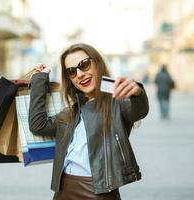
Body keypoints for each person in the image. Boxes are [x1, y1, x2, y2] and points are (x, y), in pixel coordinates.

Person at [28, 43, 149, 200]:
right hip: (62, 191)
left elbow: (138, 110)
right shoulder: (71, 112)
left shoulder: (116, 103)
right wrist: (39, 80)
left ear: (97, 64)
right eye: (71, 71)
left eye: (84, 65)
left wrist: (137, 92)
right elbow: (38, 125)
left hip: (99, 193)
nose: (79, 74)